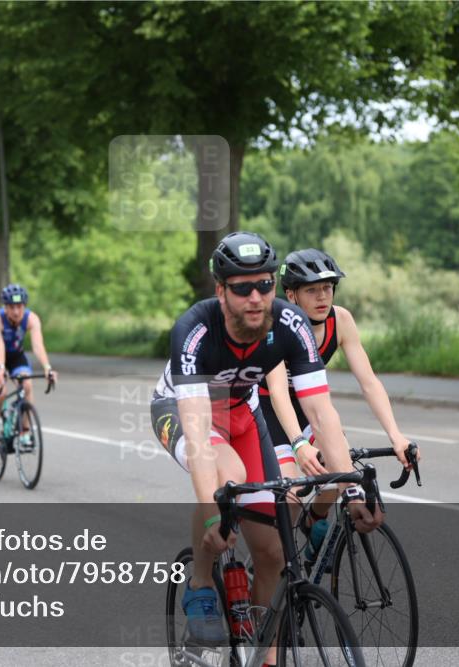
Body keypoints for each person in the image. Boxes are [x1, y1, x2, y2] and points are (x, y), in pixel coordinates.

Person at [148, 232, 377, 658]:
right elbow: (198, 436)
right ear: (221, 290)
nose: (256, 297)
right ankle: (200, 584)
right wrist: (214, 511)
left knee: (272, 551)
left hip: (241, 412)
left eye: (265, 285)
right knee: (228, 476)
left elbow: (322, 414)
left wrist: (352, 490)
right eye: (241, 287)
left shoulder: (289, 324)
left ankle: (264, 653)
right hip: (184, 412)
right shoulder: (195, 329)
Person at [260, 248, 417, 557]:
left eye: (327, 288)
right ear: (291, 295)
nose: (322, 297)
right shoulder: (276, 323)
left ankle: (315, 520)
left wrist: (396, 435)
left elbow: (369, 383)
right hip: (269, 411)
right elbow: (278, 392)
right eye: (312, 290)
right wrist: (297, 444)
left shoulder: (341, 320)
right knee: (291, 495)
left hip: (308, 406)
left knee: (339, 467)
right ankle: (273, 566)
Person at [0, 284, 57, 456]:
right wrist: (0, 369)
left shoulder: (31, 319)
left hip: (15, 357)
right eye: (11, 307)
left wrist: (47, 368)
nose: (16, 311)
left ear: (25, 306)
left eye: (19, 306)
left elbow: (37, 346)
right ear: (4, 307)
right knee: (0, 393)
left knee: (27, 385)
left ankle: (25, 432)